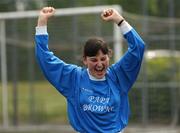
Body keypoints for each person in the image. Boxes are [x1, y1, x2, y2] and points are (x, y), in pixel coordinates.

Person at [35, 6, 145, 133]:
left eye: (103, 59)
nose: (99, 64)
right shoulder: (74, 78)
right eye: (94, 60)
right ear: (85, 60)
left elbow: (138, 47)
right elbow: (45, 58)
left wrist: (119, 20)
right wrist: (42, 22)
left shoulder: (118, 76)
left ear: (109, 56)